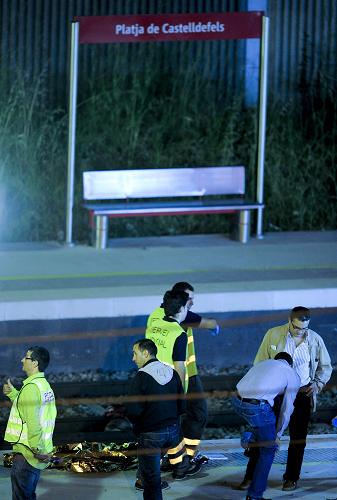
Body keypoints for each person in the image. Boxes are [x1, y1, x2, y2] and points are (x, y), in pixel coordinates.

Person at [238, 306, 332, 492]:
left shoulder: (315, 339)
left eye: (305, 328)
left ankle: (291, 478)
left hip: (302, 393)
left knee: (298, 438)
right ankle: (250, 477)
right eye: (297, 328)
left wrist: (317, 384)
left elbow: (325, 366)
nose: (301, 332)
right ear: (290, 321)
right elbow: (260, 363)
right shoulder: (273, 335)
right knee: (263, 436)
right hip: (276, 394)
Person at [146, 281, 219, 471]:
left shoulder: (156, 315)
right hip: (183, 377)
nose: (192, 303)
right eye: (189, 300)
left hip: (160, 378)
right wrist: (213, 324)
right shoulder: (179, 319)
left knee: (171, 421)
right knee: (195, 415)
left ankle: (175, 460)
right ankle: (182, 460)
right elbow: (203, 322)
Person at [126, 339, 189, 500]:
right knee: (152, 466)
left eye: (135, 353)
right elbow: (182, 405)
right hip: (173, 434)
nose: (133, 358)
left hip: (151, 435)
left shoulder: (141, 377)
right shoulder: (172, 372)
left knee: (152, 480)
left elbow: (133, 411)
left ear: (146, 353)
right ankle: (179, 469)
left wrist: (138, 429)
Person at [232, 352, 300, 500]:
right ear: (290, 364)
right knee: (269, 449)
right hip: (256, 407)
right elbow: (287, 410)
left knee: (259, 424)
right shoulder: (291, 373)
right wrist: (278, 436)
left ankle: (250, 437)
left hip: (237, 400)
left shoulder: (263, 363)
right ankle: (255, 495)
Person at [3, 346, 57, 500]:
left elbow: (33, 424)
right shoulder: (43, 386)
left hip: (28, 454)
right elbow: (29, 410)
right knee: (28, 495)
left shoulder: (31, 389)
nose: (22, 360)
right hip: (37, 452)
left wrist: (38, 449)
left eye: (25, 357)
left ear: (34, 363)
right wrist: (13, 394)